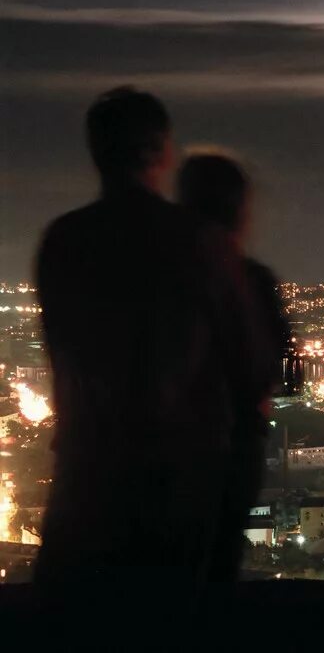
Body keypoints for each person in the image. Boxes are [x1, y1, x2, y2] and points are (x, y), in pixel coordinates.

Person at [33, 87, 256, 590]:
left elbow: (60, 351)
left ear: (96, 152)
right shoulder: (199, 243)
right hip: (175, 484)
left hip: (85, 477)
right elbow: (250, 368)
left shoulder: (64, 241)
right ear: (161, 151)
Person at [177, 151, 289, 580]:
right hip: (232, 452)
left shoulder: (163, 281)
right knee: (216, 568)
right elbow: (278, 370)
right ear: (240, 210)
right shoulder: (250, 279)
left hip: (167, 454)